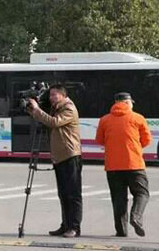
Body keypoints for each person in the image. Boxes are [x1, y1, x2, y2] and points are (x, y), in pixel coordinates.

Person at [28, 85, 83, 238]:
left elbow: (53, 122)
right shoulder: (56, 107)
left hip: (70, 155)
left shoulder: (68, 109)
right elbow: (44, 119)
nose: (51, 98)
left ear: (63, 95)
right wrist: (32, 109)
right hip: (59, 156)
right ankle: (65, 225)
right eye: (50, 95)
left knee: (73, 194)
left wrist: (37, 109)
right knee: (63, 194)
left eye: (54, 95)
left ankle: (74, 227)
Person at [95, 92, 152, 237]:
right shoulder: (138, 118)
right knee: (142, 193)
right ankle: (136, 217)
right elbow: (146, 140)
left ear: (115, 102)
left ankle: (121, 230)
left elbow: (100, 140)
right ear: (128, 102)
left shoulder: (105, 120)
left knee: (118, 198)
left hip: (113, 166)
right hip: (134, 164)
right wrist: (134, 147)